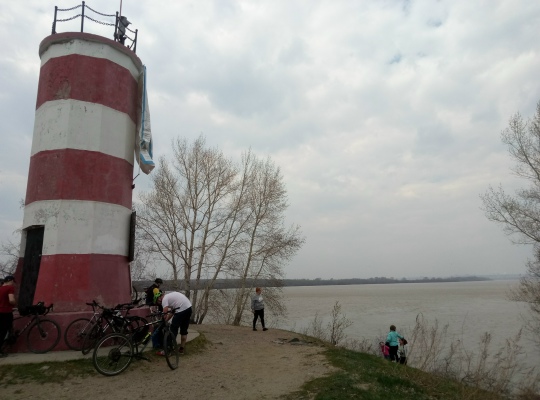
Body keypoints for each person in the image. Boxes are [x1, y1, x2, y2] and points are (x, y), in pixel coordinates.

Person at [0, 276, 17, 357]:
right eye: (13, 281)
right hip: (6, 312)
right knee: (3, 331)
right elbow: (11, 300)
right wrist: (15, 303)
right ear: (10, 281)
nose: (13, 283)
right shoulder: (10, 288)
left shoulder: (0, 288)